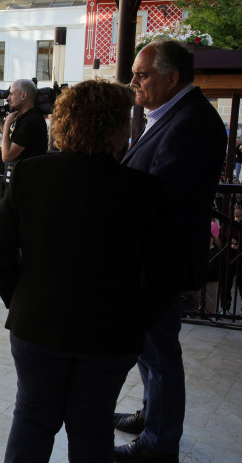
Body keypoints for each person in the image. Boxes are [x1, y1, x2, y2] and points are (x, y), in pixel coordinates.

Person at [0, 79, 176, 463]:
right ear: (119, 128)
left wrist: (20, 301)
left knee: (33, 419)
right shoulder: (145, 190)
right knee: (92, 426)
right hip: (111, 333)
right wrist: (136, 319)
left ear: (65, 122)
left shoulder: (30, 175)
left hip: (38, 325)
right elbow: (163, 273)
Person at [112, 40, 227, 462]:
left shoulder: (192, 122)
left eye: (142, 74)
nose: (134, 82)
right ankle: (152, 416)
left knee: (159, 354)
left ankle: (159, 445)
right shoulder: (171, 115)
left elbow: (161, 194)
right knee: (150, 351)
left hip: (161, 260)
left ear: (171, 78)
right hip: (153, 258)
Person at [0, 79, 48, 164]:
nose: (7, 98)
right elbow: (14, 142)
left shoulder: (30, 122)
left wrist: (7, 125)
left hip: (27, 175)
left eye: (11, 94)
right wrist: (1, 122)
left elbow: (6, 156)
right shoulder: (30, 117)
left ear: (23, 96)